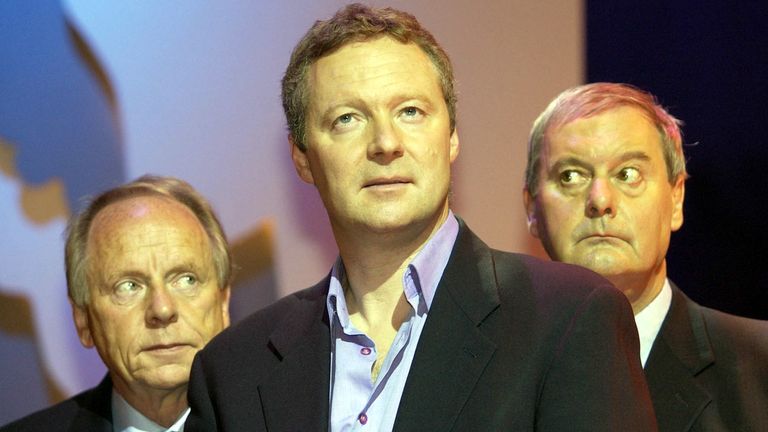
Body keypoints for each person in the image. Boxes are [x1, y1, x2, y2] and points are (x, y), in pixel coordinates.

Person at [185, 5, 656, 431]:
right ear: (303, 158)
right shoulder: (233, 370)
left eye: (410, 111)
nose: (386, 144)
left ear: (451, 138)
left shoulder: (568, 320)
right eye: (347, 119)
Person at [523, 82, 768, 431]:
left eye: (628, 174)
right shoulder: (487, 372)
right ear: (531, 208)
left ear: (676, 198)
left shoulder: (759, 366)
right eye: (571, 176)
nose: (600, 200)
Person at [1, 175, 232, 431]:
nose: (162, 309)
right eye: (129, 286)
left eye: (187, 280)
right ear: (83, 320)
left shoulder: (279, 417)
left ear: (223, 301)